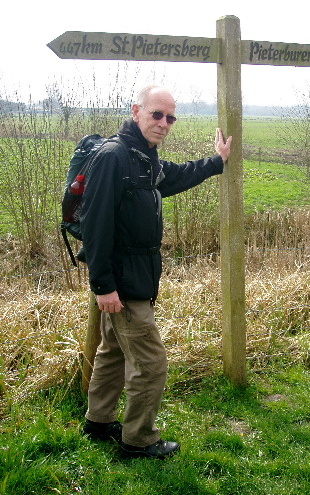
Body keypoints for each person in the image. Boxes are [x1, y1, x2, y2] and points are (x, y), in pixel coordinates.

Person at [80, 85, 232, 459]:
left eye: (170, 117)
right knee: (150, 364)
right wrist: (103, 286)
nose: (164, 123)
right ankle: (139, 439)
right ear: (136, 112)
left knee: (114, 351)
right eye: (157, 115)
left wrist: (217, 161)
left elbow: (176, 177)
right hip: (122, 281)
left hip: (133, 277)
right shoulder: (114, 156)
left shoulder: (143, 158)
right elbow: (95, 224)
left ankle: (98, 422)